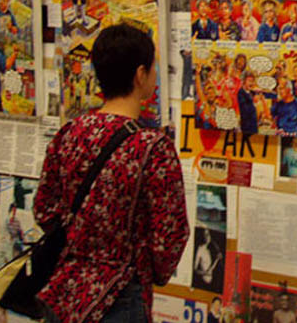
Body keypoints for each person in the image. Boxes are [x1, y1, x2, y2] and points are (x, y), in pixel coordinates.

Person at [34, 24, 189, 323]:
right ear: (140, 74)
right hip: (120, 295)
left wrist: (77, 243)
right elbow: (169, 235)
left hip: (65, 291)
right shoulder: (153, 147)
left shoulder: (70, 132)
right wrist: (149, 269)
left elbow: (44, 210)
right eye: (153, 68)